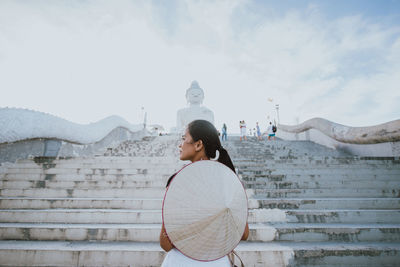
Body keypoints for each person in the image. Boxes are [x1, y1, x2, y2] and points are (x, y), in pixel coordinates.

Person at [160, 120, 249, 266]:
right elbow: (244, 234)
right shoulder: (227, 180)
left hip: (180, 261)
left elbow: (166, 244)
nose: (180, 144)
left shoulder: (178, 182)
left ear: (198, 145)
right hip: (217, 261)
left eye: (183, 139)